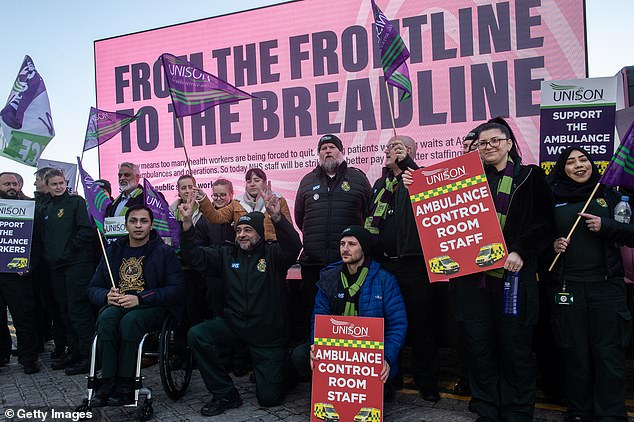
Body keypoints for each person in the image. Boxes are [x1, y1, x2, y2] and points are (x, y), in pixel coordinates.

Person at [451, 118, 554, 421]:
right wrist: (413, 182)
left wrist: (521, 250)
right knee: (480, 346)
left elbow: (544, 223)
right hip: (473, 280)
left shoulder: (529, 177)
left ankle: (518, 410)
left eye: (495, 140)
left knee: (515, 347)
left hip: (513, 278)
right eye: (483, 143)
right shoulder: (467, 180)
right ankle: (487, 409)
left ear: (509, 143)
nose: (489, 147)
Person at [179, 189, 302, 417]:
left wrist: (277, 218)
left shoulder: (273, 255)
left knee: (269, 399)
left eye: (248, 230)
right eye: (239, 230)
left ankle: (284, 368)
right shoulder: (226, 254)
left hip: (267, 335)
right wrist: (187, 227)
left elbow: (294, 247)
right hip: (235, 326)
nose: (242, 235)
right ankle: (225, 393)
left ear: (260, 233)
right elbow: (194, 258)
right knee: (198, 334)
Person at [548, 147, 633, 422]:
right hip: (569, 289)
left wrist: (606, 225)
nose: (578, 165)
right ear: (562, 169)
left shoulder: (611, 195)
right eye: (571, 162)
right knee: (576, 355)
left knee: (608, 355)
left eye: (583, 159)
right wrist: (553, 246)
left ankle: (611, 415)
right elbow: (538, 239)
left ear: (592, 163)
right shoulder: (552, 198)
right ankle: (579, 413)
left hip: (607, 288)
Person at [291, 225, 407, 400]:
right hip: (337, 350)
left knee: (378, 390)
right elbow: (319, 316)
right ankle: (329, 383)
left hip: (370, 353)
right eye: (342, 243)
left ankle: (380, 384)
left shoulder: (385, 280)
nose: (345, 249)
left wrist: (387, 358)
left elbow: (397, 324)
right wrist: (316, 344)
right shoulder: (329, 277)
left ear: (364, 248)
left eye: (352, 244)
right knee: (300, 355)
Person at [364, 135, 439, 401]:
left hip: (414, 265)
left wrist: (407, 163)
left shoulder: (417, 178)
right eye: (387, 147)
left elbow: (428, 193)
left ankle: (427, 381)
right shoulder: (379, 184)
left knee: (421, 326)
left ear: (407, 151)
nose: (387, 152)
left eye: (393, 148)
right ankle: (391, 378)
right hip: (384, 266)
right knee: (387, 325)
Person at [87, 205, 184, 407]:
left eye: (143, 221)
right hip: (118, 304)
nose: (138, 226)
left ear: (150, 225)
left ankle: (125, 383)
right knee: (106, 319)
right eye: (133, 221)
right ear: (126, 224)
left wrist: (140, 298)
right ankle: (106, 382)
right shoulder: (112, 251)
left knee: (130, 321)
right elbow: (93, 287)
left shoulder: (164, 252)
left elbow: (176, 289)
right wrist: (106, 295)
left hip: (151, 306)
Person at [294, 134, 372, 338]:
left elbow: (368, 212)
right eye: (323, 148)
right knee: (315, 315)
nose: (327, 151)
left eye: (332, 147)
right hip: (314, 265)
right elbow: (300, 217)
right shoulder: (307, 180)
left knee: (347, 317)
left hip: (347, 264)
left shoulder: (357, 178)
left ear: (341, 151)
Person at [35, 169, 97, 375]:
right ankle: (74, 352)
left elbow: (86, 230)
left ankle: (89, 357)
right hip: (56, 268)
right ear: (47, 186)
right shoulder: (45, 207)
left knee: (79, 311)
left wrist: (69, 250)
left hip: (77, 265)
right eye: (54, 184)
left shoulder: (76, 203)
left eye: (61, 183)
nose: (59, 187)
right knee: (64, 312)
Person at [0, 172, 40, 374]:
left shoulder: (29, 207)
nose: (11, 187)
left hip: (17, 273)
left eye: (14, 184)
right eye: (7, 183)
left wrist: (30, 265)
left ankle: (28, 358)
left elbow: (36, 242)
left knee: (24, 316)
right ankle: (2, 355)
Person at [197, 168, 292, 242]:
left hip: (271, 249)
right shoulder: (238, 202)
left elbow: (288, 230)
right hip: (245, 250)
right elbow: (216, 217)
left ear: (265, 183)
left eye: (256, 180)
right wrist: (203, 199)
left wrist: (276, 216)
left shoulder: (278, 200)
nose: (252, 184)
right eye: (249, 181)